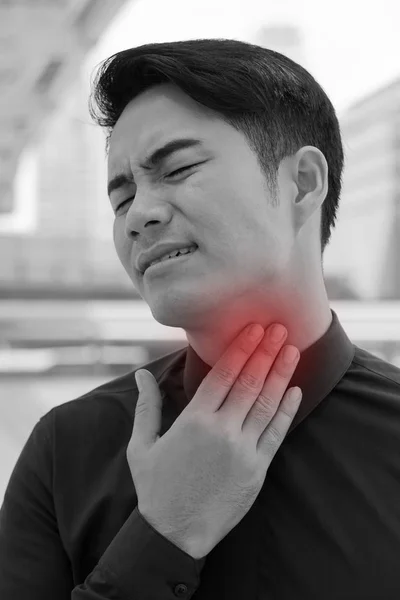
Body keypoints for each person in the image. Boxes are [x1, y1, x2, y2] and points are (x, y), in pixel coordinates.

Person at [1, 38, 400, 600]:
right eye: (121, 199)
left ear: (303, 183)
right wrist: (163, 535)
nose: (139, 215)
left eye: (179, 168)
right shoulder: (65, 450)